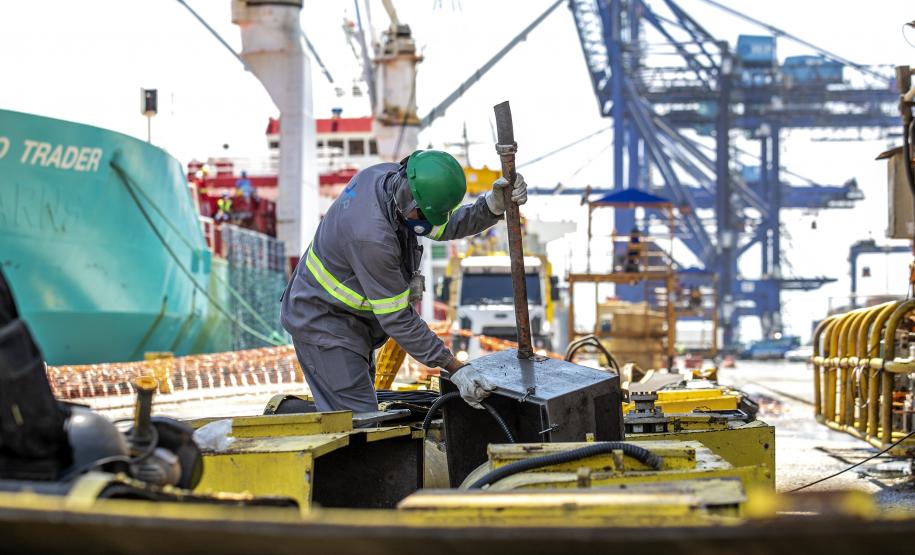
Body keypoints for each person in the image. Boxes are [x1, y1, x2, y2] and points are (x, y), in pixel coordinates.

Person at [280, 150, 527, 413]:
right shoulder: (372, 238)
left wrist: (491, 206)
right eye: (424, 216)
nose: (427, 224)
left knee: (357, 416)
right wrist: (455, 367)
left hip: (349, 322)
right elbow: (397, 318)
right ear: (412, 206)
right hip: (324, 323)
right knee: (360, 424)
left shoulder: (392, 181)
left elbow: (442, 224)